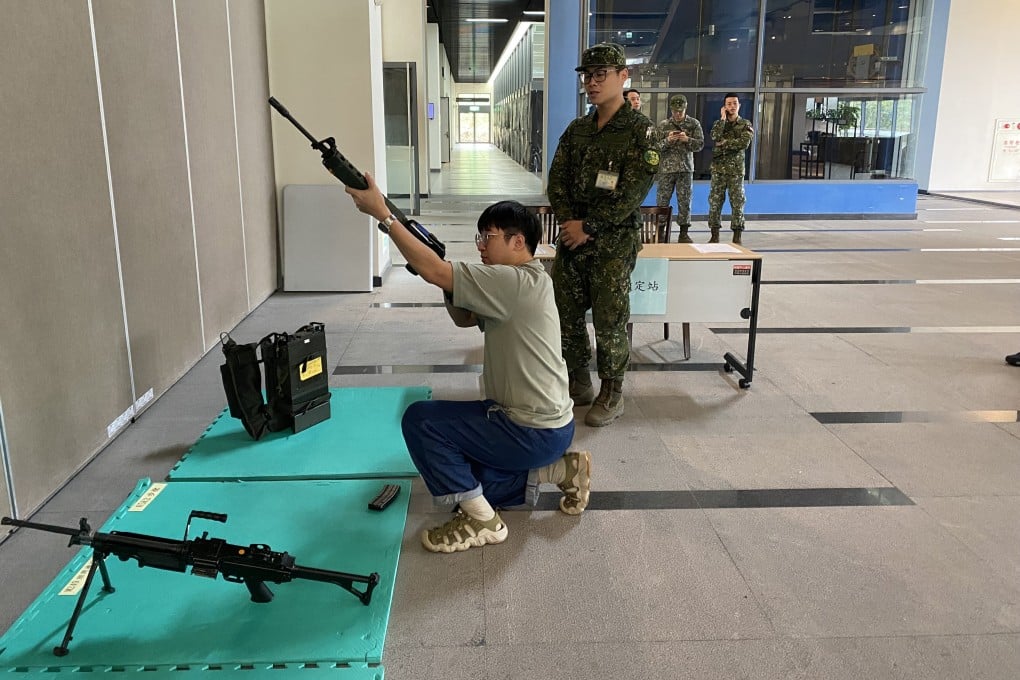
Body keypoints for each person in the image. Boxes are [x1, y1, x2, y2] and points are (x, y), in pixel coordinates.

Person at [345, 176, 590, 554]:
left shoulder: (512, 281)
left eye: (487, 238)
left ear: (518, 241)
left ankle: (482, 521)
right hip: (546, 428)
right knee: (460, 476)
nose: (481, 247)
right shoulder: (528, 281)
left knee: (421, 421)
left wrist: (385, 216)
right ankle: (560, 470)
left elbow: (438, 271)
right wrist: (441, 276)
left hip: (528, 430)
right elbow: (463, 316)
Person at [547, 43, 659, 427]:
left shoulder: (640, 132)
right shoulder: (577, 129)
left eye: (600, 75)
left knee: (610, 317)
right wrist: (568, 223)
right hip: (572, 240)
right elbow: (557, 179)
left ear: (623, 76)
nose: (591, 83)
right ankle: (579, 381)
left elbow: (633, 192)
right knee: (567, 313)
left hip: (612, 243)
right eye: (587, 76)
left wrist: (589, 226)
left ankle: (612, 392)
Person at [656, 94, 704, 243]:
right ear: (671, 109)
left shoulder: (693, 124)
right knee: (662, 201)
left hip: (685, 169)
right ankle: (661, 232)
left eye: (680, 111)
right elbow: (656, 147)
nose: (678, 114)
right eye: (675, 111)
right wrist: (668, 140)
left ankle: (684, 233)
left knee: (685, 201)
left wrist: (687, 140)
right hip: (666, 169)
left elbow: (700, 145)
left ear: (685, 108)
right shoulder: (663, 125)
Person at [707, 93, 753, 244]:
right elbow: (714, 137)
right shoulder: (718, 124)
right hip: (718, 170)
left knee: (737, 202)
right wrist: (722, 119)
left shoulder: (745, 124)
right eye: (729, 104)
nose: (732, 106)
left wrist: (725, 143)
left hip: (736, 171)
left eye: (734, 103)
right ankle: (714, 235)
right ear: (724, 107)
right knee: (715, 202)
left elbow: (744, 143)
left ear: (739, 105)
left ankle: (737, 235)